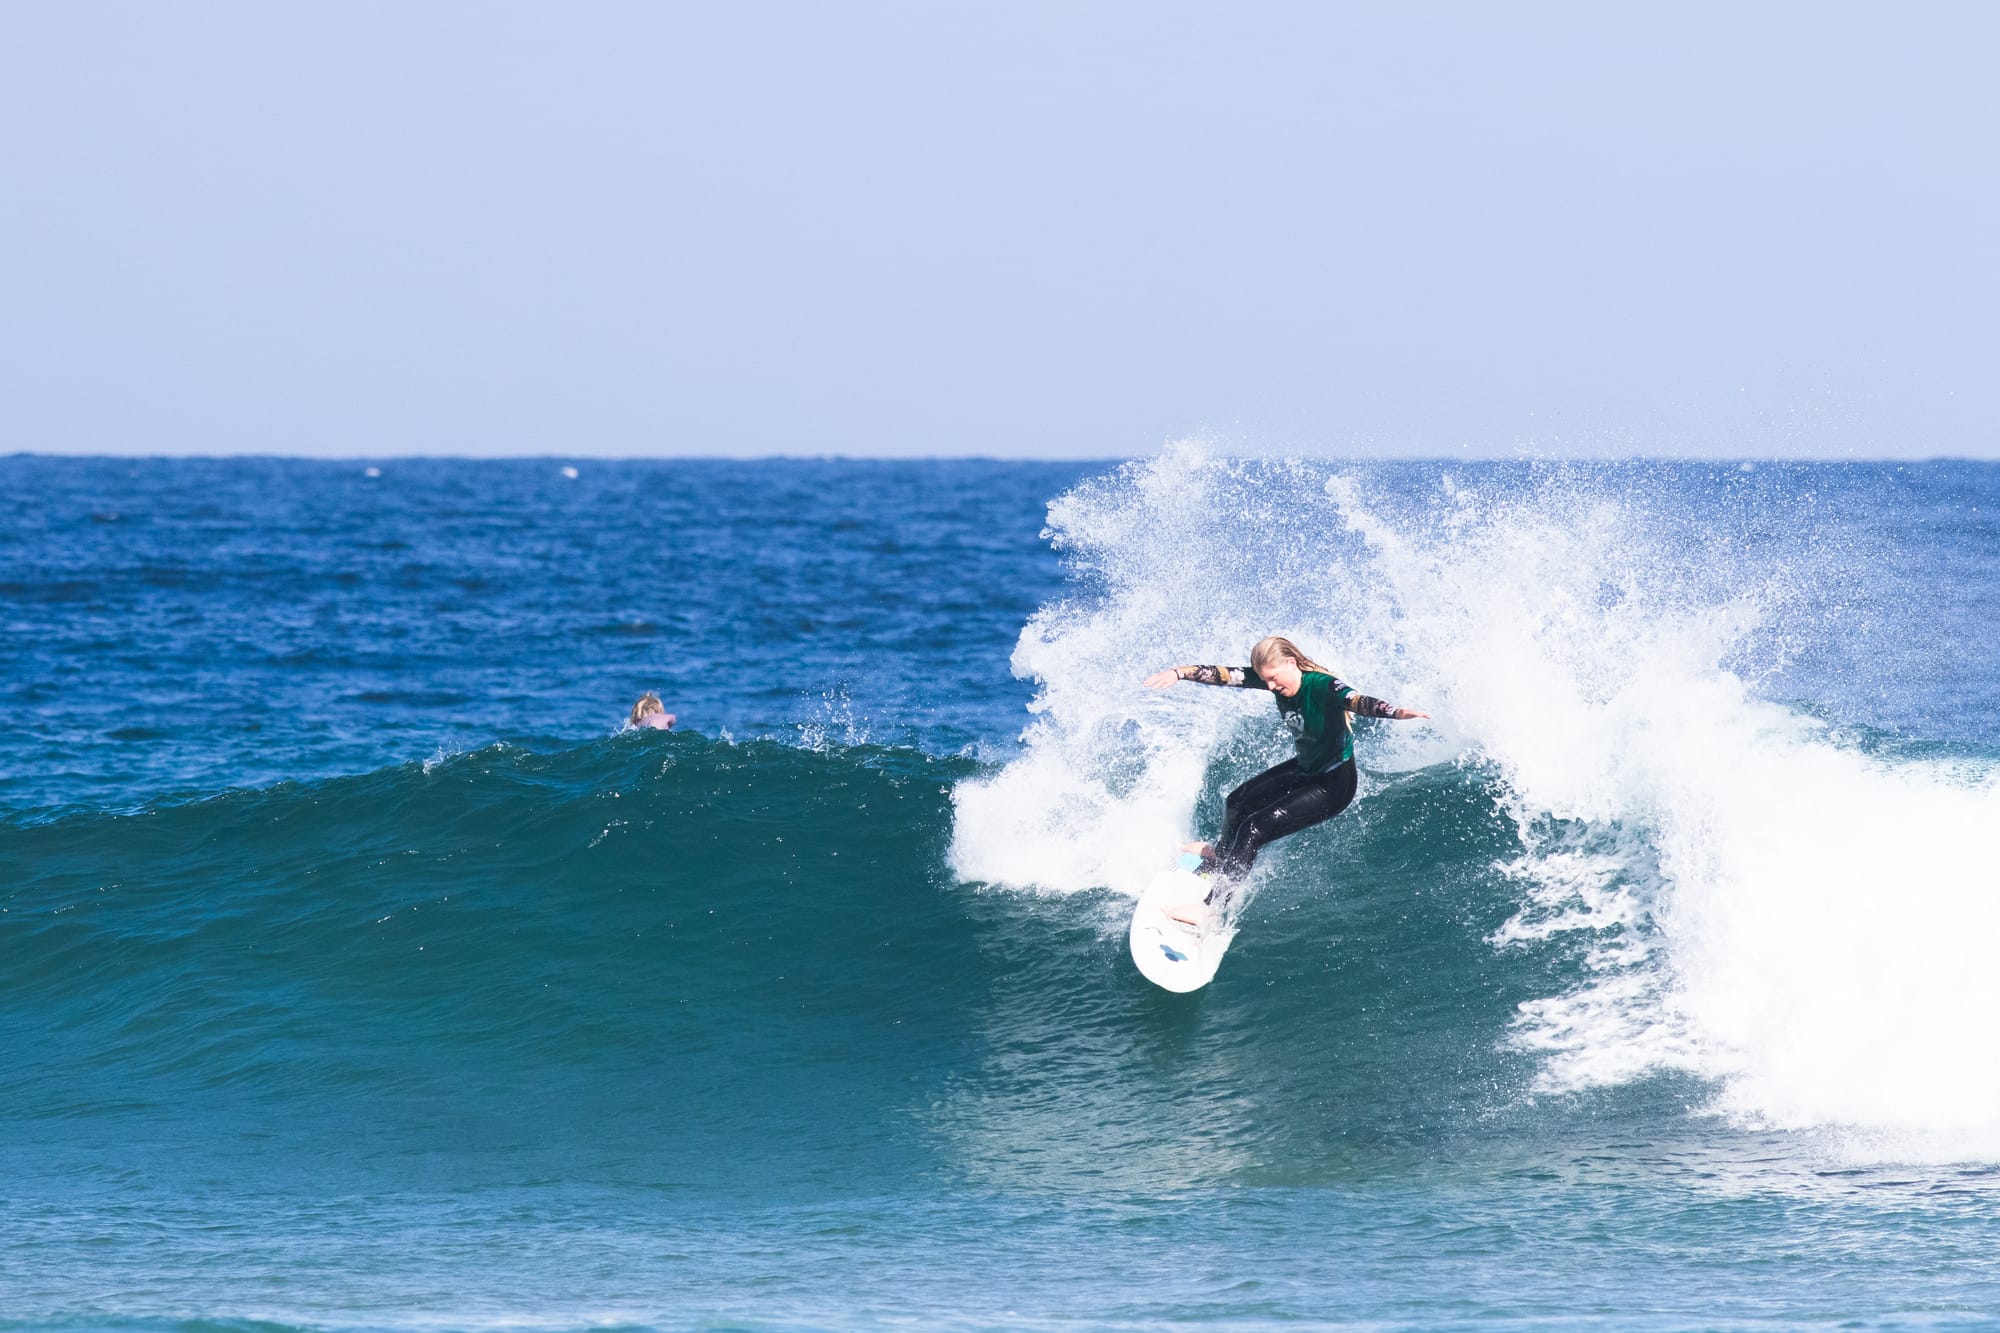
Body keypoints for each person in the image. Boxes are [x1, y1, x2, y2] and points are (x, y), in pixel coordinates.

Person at [1143, 636, 1428, 880]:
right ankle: (1222, 857)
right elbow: (1225, 675)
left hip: (1333, 786)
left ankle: (1215, 904)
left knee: (1252, 830)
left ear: (1291, 663)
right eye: (1265, 679)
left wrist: (1395, 712)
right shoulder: (1274, 679)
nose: (1269, 687)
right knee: (1236, 802)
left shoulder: (1321, 686)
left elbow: (1356, 700)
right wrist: (1178, 673)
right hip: (1307, 770)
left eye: (1273, 678)